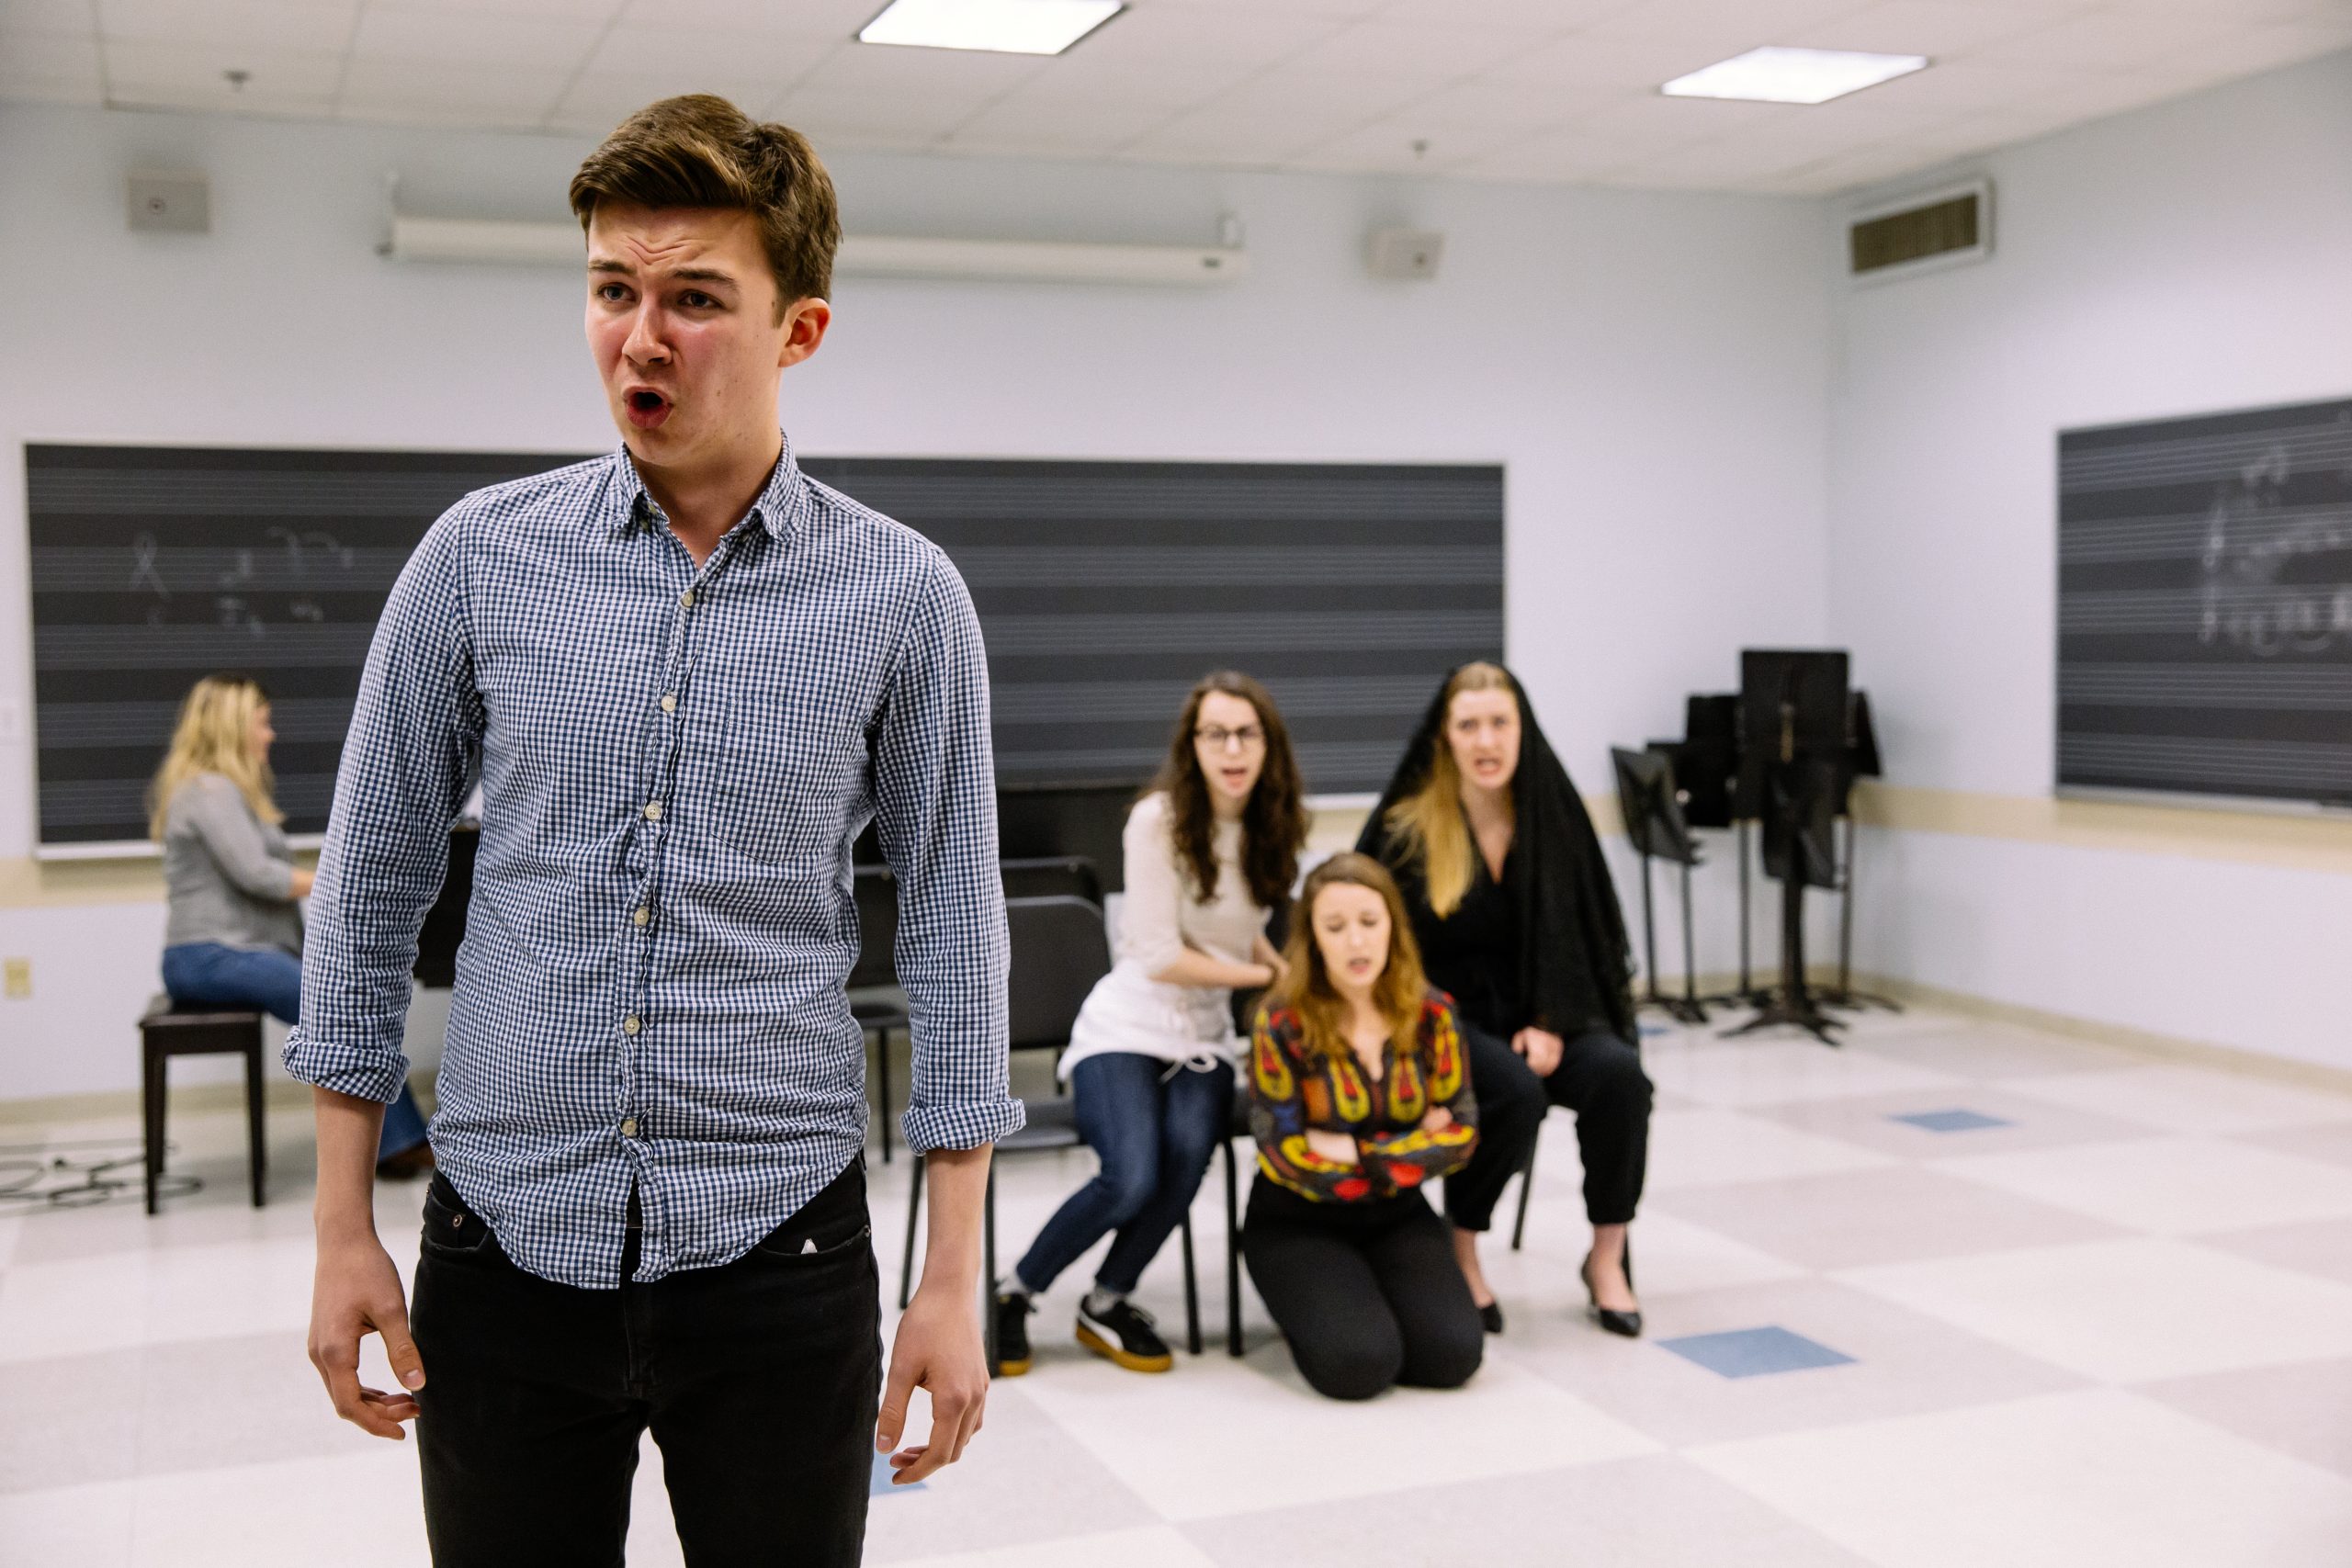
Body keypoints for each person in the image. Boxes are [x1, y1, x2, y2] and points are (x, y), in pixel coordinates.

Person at [283, 96, 1020, 1568]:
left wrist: (953, 1276)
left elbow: (952, 925)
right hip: (503, 1240)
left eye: (695, 299)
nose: (642, 336)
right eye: (615, 290)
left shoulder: (905, 598)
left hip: (782, 1247)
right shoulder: (477, 559)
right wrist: (341, 1224)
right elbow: (367, 886)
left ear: (798, 328)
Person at [995, 672, 1307, 1377]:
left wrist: (1278, 966)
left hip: (1202, 1036)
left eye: (1246, 733)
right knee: (1131, 1174)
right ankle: (1014, 1292)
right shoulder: (1158, 819)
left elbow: (1244, 930)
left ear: (1268, 744)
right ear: (1191, 744)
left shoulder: (1274, 823)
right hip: (1130, 1023)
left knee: (1184, 1163)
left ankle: (1106, 1301)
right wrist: (1266, 978)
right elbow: (1162, 954)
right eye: (1215, 733)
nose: (1232, 748)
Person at [1358, 661, 1651, 1338]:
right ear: (1446, 737)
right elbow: (1388, 960)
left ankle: (1607, 1257)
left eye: (1500, 723)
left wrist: (1552, 1021)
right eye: (1469, 725)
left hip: (1551, 1013)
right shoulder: (1409, 828)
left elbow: (1584, 938)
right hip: (1444, 1023)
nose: (1486, 740)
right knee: (1512, 1091)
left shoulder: (1552, 815)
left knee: (1619, 1078)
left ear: (1523, 731)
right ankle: (1461, 1247)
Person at [151, 674, 431, 1179]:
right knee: (332, 1001)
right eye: (262, 723)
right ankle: (399, 1141)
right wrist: (340, 879)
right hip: (206, 955)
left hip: (230, 953)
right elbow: (258, 874)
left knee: (336, 999)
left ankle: (394, 1140)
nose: (270, 734)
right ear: (233, 728)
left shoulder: (226, 791)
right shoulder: (209, 790)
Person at [1241, 852, 1483, 1401]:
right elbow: (1283, 1153)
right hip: (1297, 1220)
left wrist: (1355, 1153)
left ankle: (1365, 1294)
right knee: (1360, 1365)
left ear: (1393, 927)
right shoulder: (1279, 1021)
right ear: (1312, 938)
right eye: (1336, 927)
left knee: (1453, 1357)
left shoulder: (1433, 1015)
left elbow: (1462, 1136)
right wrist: (1412, 1145)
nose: (1356, 942)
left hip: (1397, 1214)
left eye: (1369, 923)